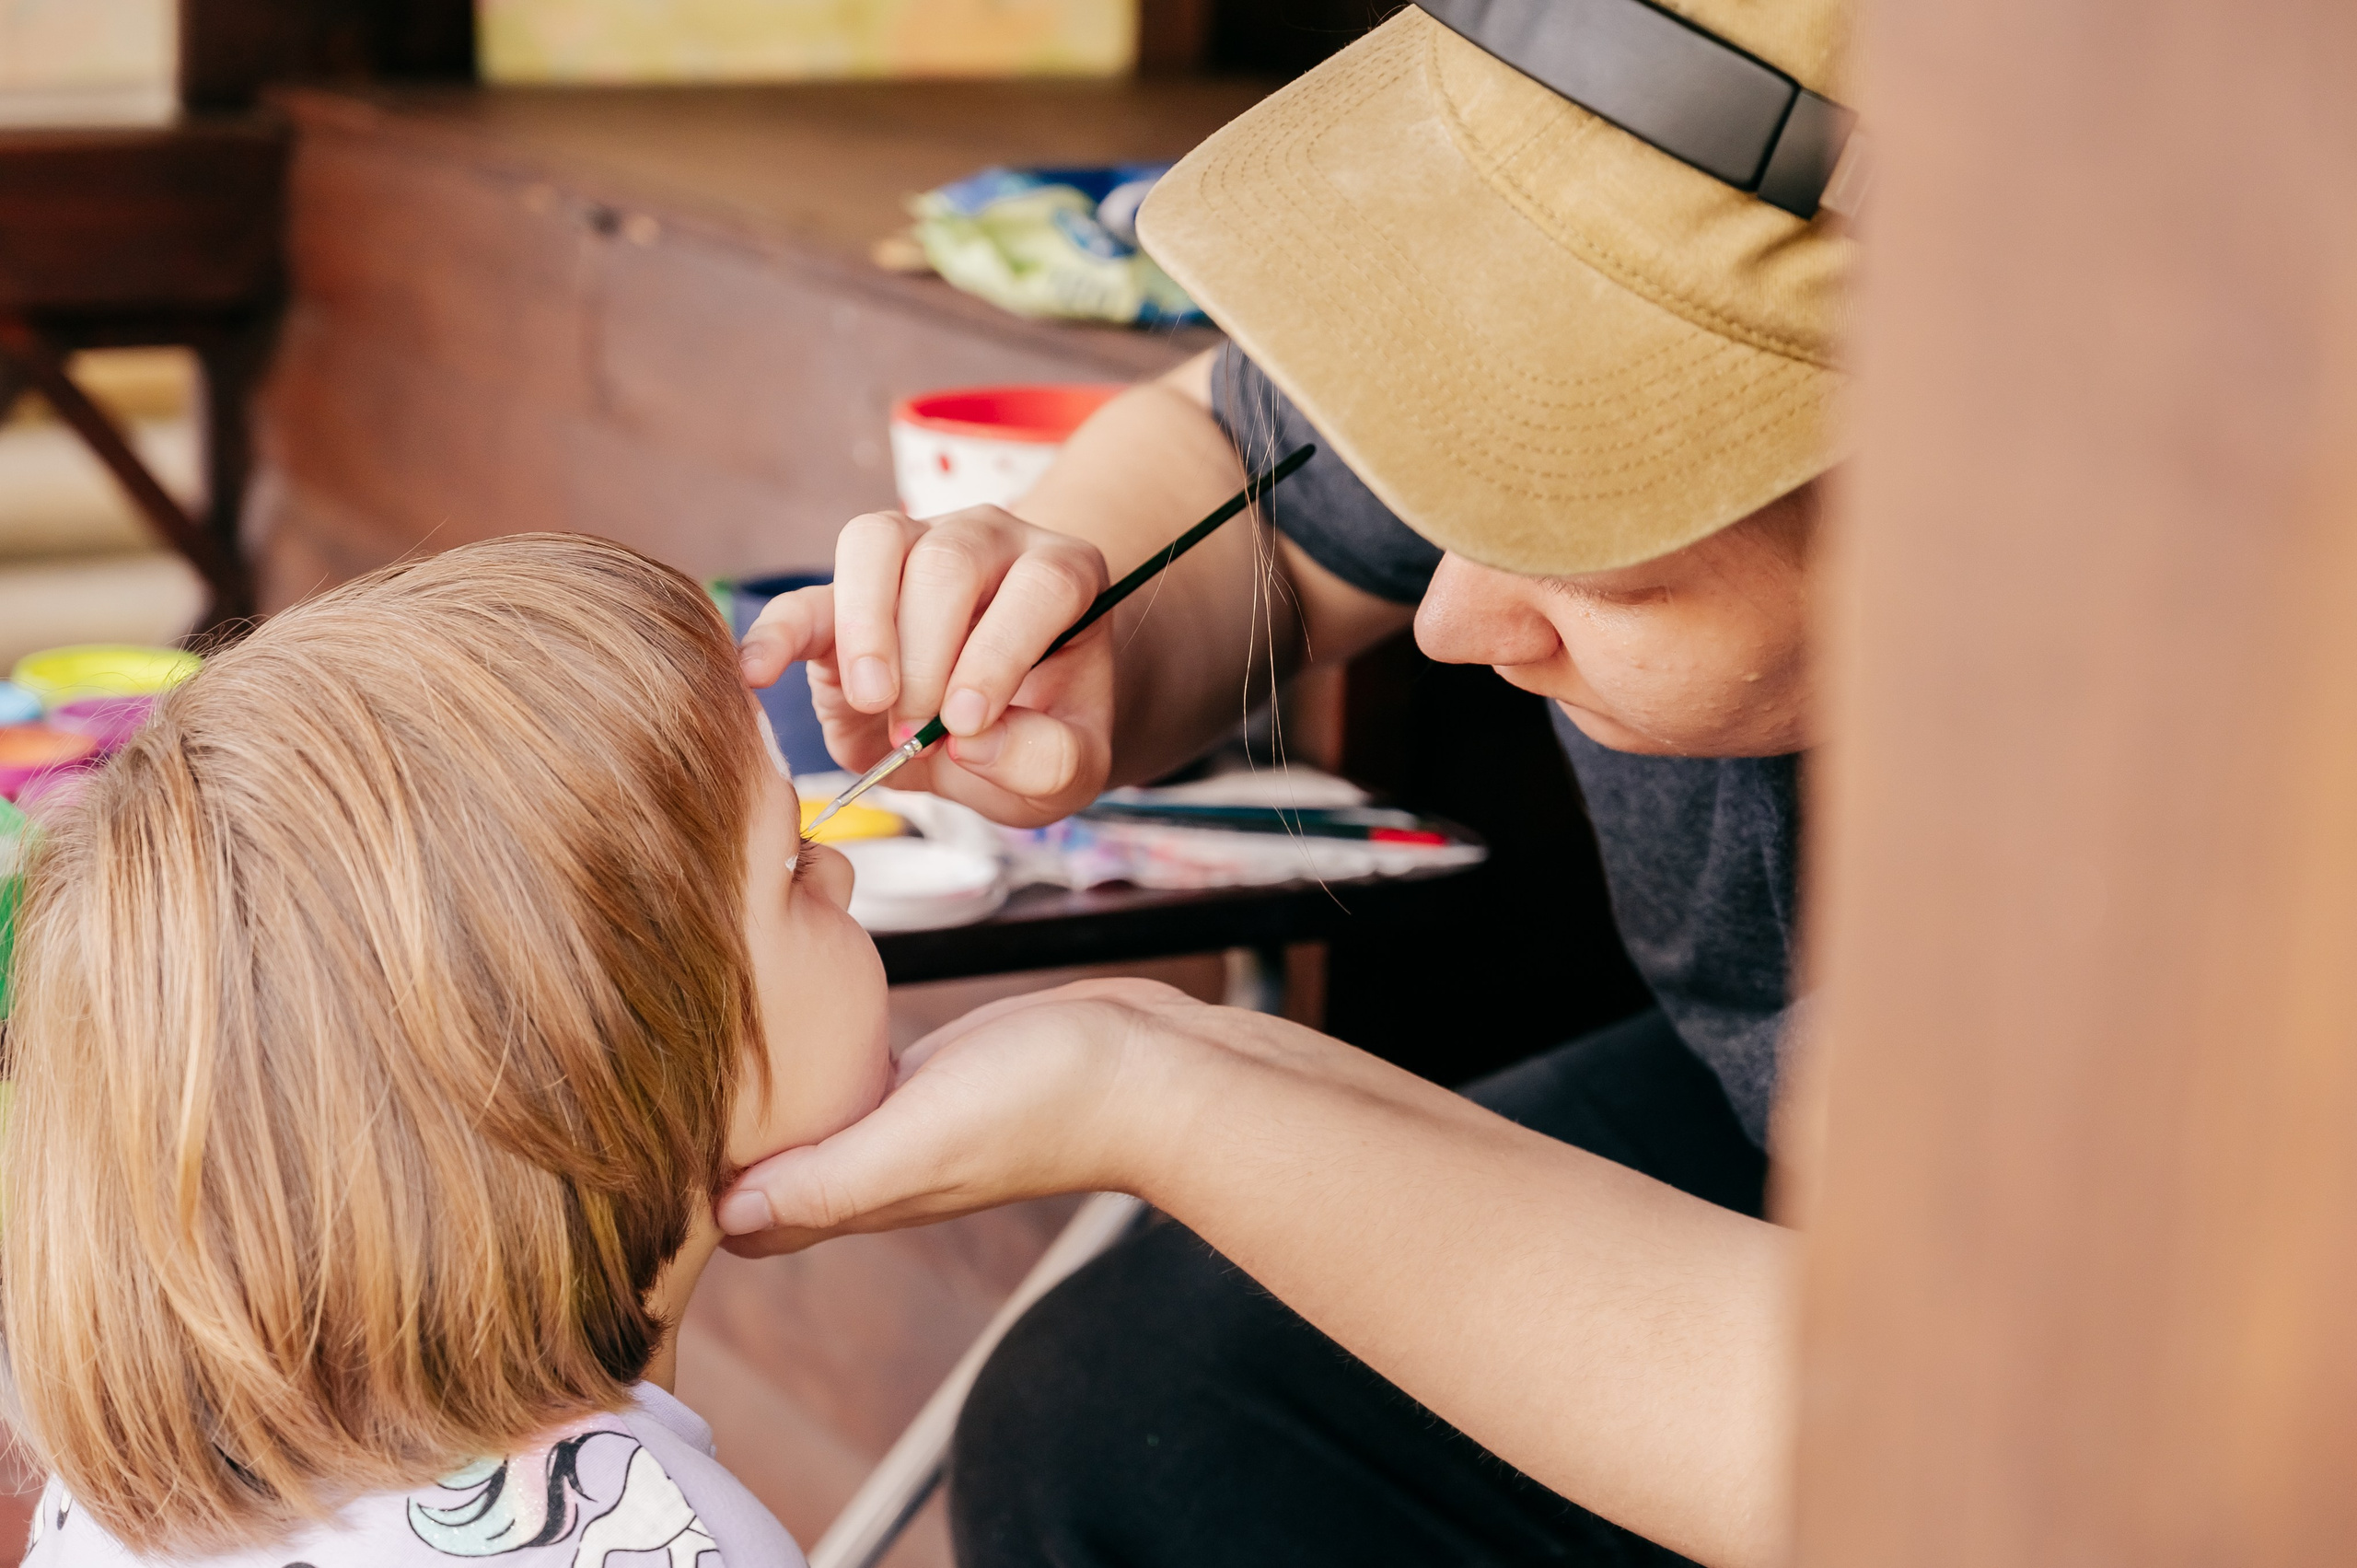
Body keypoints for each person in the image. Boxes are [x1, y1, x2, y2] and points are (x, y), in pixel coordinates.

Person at [725, 1, 1853, 1563]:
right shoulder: (1644, 177)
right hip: (1777, 1110)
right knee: (1130, 1415)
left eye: (1604, 558)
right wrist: (1074, 595)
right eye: (1433, 492)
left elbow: (2029, 1481)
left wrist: (1163, 1092)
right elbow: (1237, 463)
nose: (1445, 623)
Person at [0, 535, 888, 1567]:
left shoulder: (119, 1504)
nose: (843, 883)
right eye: (793, 864)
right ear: (591, 1072)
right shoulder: (664, 1541)